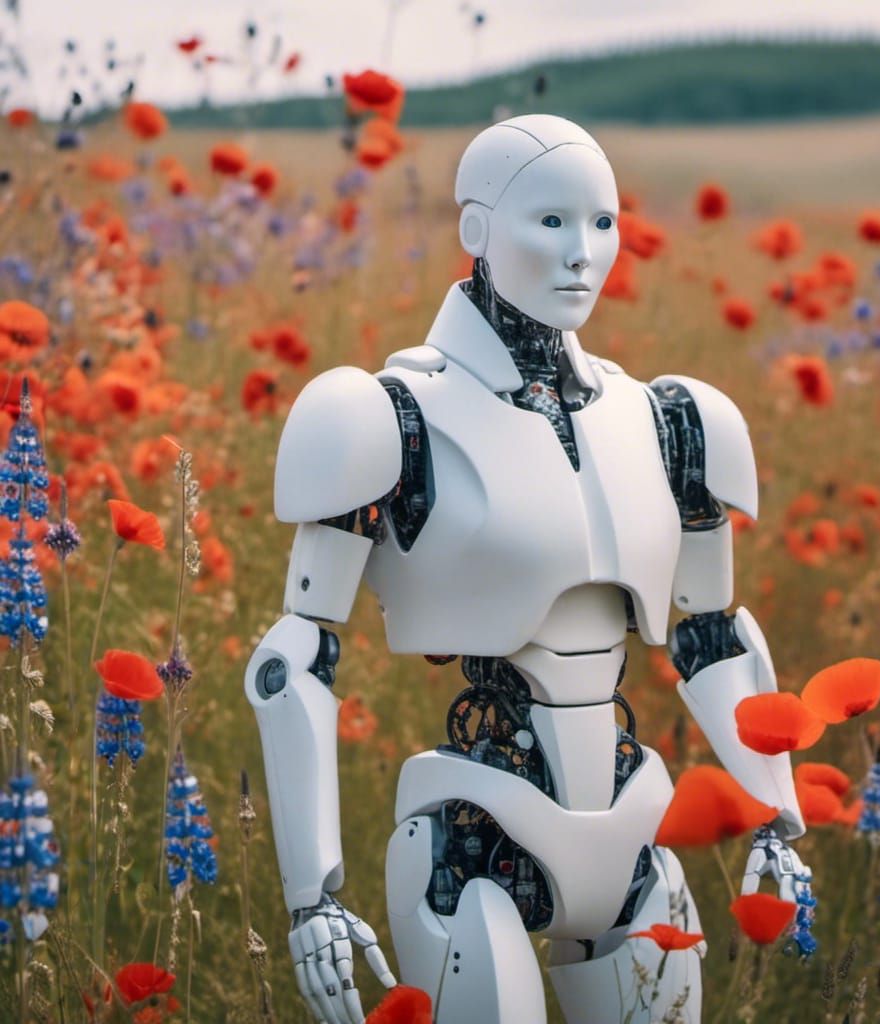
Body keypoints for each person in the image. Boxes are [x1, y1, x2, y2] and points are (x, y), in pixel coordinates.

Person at [245, 114, 808, 1024]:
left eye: (602, 222)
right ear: (475, 230)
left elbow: (711, 634)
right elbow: (296, 658)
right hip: (477, 837)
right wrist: (314, 894)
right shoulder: (388, 415)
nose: (581, 252)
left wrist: (775, 811)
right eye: (549, 221)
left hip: (632, 829)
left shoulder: (669, 421)